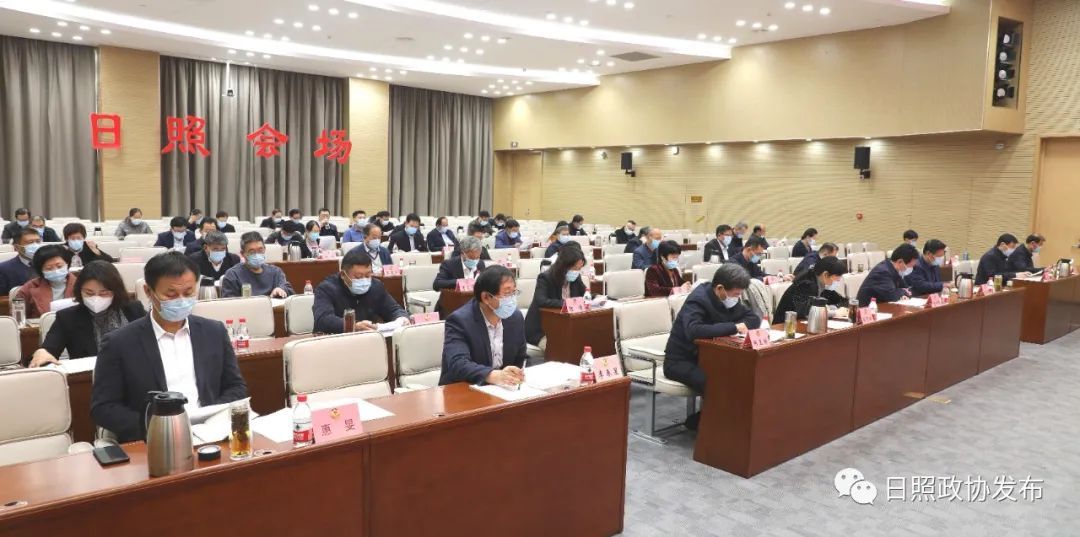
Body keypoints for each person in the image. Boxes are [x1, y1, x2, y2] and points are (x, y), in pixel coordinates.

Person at [91, 252, 248, 443]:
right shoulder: (119, 343)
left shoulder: (214, 331)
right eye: (170, 294)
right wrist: (155, 426)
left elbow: (236, 386)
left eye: (188, 293)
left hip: (211, 436)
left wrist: (213, 417)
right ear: (148, 291)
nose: (181, 300)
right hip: (154, 441)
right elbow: (104, 408)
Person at [664, 263, 760, 429]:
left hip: (711, 357)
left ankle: (720, 420)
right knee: (715, 383)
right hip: (681, 361)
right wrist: (734, 327)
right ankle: (707, 425)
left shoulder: (728, 300)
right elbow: (693, 330)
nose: (737, 299)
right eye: (735, 294)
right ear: (720, 288)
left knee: (741, 375)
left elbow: (753, 318)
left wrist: (738, 325)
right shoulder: (698, 300)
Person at [29, 261, 147, 367]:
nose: (96, 298)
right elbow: (48, 350)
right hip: (90, 377)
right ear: (80, 291)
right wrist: (42, 353)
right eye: (89, 293)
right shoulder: (67, 317)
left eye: (104, 293)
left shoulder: (134, 309)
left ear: (116, 291)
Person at [439, 265, 527, 386]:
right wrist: (492, 375)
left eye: (514, 292)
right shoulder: (459, 321)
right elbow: (458, 364)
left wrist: (517, 373)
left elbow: (521, 356)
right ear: (486, 297)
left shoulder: (515, 317)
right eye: (507, 293)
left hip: (502, 388)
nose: (512, 299)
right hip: (464, 388)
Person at [312, 249, 409, 334]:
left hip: (369, 339)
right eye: (358, 277)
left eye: (368, 275)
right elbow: (323, 320)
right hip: (335, 341)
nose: (364, 280)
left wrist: (402, 319)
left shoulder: (376, 286)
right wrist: (354, 326)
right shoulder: (326, 289)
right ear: (343, 275)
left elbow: (394, 309)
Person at [526, 244, 587, 347]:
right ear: (564, 265)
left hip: (565, 326)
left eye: (579, 268)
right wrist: (568, 303)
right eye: (575, 268)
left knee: (582, 342)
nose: (576, 272)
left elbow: (585, 294)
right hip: (542, 330)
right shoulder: (545, 278)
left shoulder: (576, 277)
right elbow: (541, 300)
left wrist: (596, 297)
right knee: (561, 348)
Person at [221, 232, 293, 298]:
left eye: (260, 250)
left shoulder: (275, 271)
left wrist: (281, 289)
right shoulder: (233, 275)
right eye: (252, 252)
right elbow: (229, 301)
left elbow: (288, 289)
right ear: (242, 253)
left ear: (264, 249)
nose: (257, 254)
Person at [775, 256, 849, 319]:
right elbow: (806, 312)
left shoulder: (821, 282)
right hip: (785, 325)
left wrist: (835, 307)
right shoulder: (805, 284)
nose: (838, 280)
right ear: (825, 274)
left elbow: (841, 301)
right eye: (837, 276)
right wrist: (835, 313)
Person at [15, 245, 77, 318]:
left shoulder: (80, 284)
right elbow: (18, 317)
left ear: (67, 264)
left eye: (59, 266)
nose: (55, 271)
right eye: (49, 268)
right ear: (41, 270)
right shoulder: (28, 288)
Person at [433, 236, 488, 312]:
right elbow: (437, 284)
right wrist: (462, 282)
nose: (475, 260)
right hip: (451, 305)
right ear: (462, 253)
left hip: (473, 306)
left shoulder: (480, 264)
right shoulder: (449, 264)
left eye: (477, 257)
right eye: (471, 258)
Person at [0, 228, 41, 294]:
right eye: (30, 242)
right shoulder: (3, 269)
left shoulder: (49, 264)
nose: (35, 245)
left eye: (38, 241)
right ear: (17, 247)